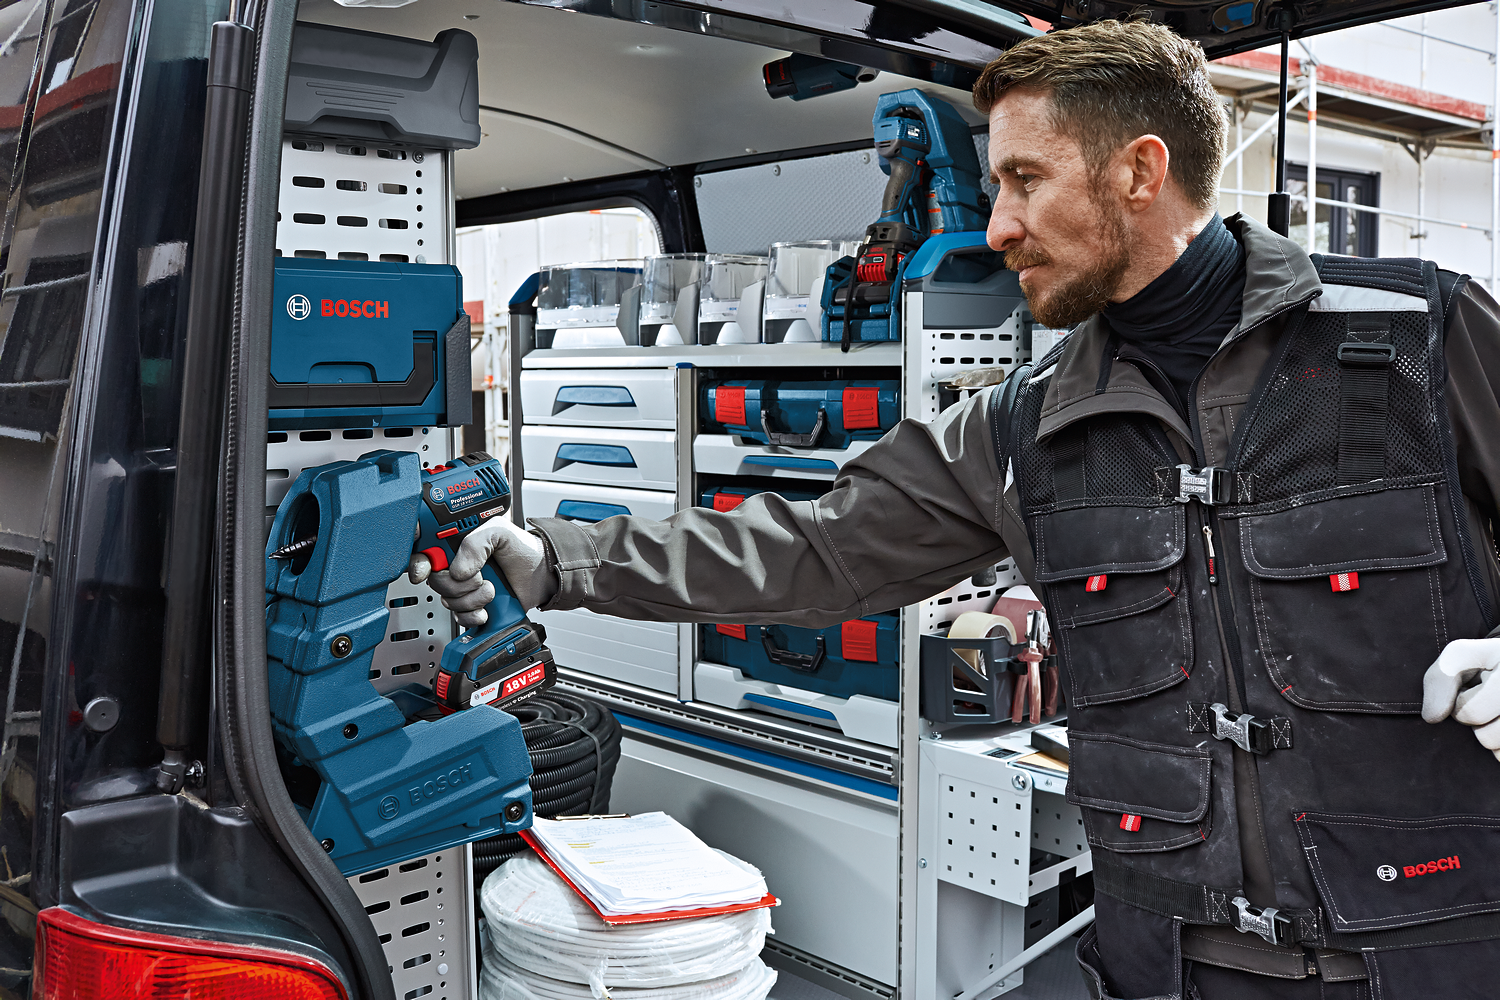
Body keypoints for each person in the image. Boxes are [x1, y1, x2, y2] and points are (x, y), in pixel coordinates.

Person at [412, 20, 1500, 999]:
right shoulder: (1022, 424)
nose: (998, 227)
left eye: (1026, 180)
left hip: (1436, 946)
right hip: (1165, 961)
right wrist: (556, 556)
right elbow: (807, 547)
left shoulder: (1414, 338)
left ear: (1139, 171)